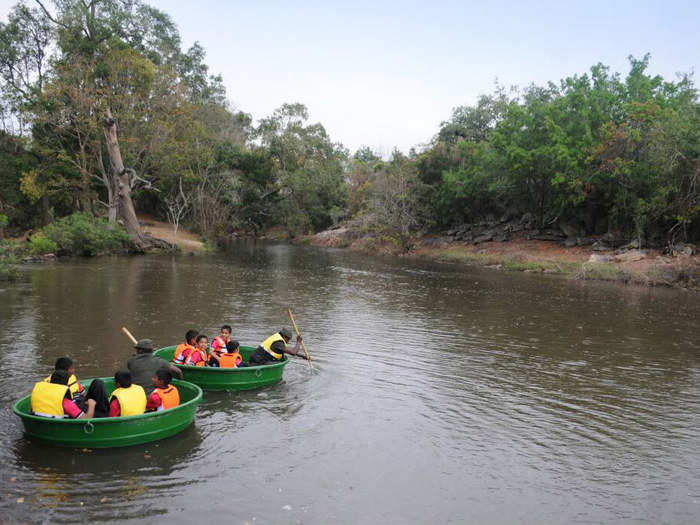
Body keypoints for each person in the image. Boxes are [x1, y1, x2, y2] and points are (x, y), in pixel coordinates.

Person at [31, 370, 96, 419]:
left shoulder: (38, 396)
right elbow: (86, 419)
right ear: (65, 384)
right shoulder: (66, 403)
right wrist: (92, 405)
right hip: (58, 428)